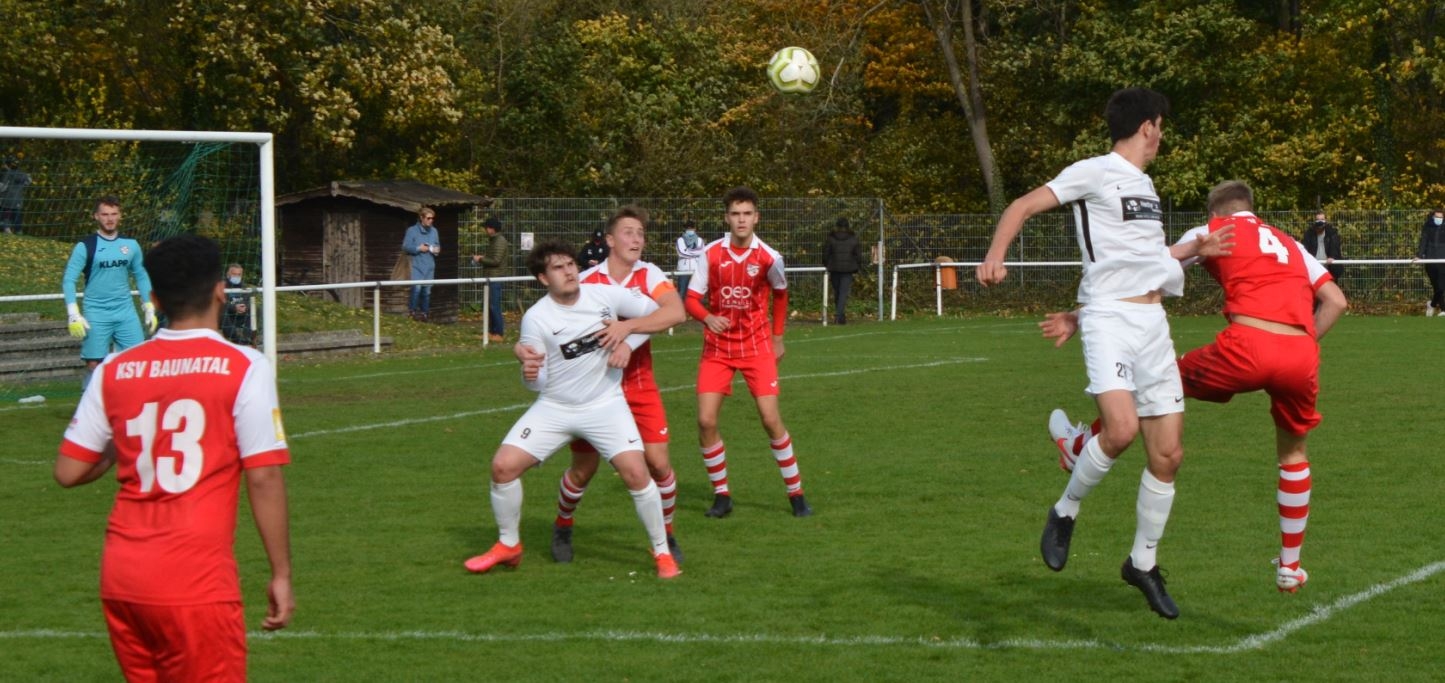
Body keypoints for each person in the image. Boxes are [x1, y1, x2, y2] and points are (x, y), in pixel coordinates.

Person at [976, 88, 1230, 620]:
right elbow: (1023, 205)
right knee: (1120, 430)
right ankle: (1065, 511)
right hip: (1111, 321)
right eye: (1161, 127)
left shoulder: (1146, 186)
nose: (1161, 137)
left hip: (1153, 323)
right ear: (1148, 126)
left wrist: (1193, 249)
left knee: (1169, 455)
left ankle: (1142, 563)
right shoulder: (1094, 171)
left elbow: (1142, 260)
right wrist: (996, 254)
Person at [1048, 180, 1347, 595]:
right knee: (1293, 455)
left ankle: (1079, 446)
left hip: (1247, 346)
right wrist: (1299, 347)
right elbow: (1336, 301)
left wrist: (1081, 314)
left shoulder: (1213, 230)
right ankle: (1290, 567)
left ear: (1215, 213)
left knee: (1152, 386)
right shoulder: (1291, 243)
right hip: (1300, 354)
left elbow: (1147, 275)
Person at [53, 233, 293, 681]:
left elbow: (68, 471)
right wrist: (281, 573)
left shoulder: (114, 369)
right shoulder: (245, 366)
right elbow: (264, 478)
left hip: (123, 576)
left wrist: (124, 439)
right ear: (220, 291)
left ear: (156, 299)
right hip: (195, 580)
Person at [464, 239, 685, 579]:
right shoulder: (536, 318)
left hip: (605, 406)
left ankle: (662, 553)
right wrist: (529, 372)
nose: (569, 272)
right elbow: (537, 383)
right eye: (558, 268)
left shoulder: (604, 294)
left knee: (637, 474)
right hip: (555, 407)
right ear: (543, 278)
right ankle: (509, 545)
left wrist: (627, 339)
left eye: (570, 264)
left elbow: (659, 313)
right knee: (502, 467)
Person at [531, 205, 688, 564]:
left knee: (658, 464)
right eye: (629, 233)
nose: (637, 239)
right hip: (595, 389)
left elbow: (675, 312)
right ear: (610, 240)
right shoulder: (587, 280)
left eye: (641, 234)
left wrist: (626, 332)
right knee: (583, 470)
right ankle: (563, 524)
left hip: (639, 384)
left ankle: (666, 535)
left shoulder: (649, 274)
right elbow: (552, 320)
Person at [685, 186, 812, 518]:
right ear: (727, 217)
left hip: (756, 347)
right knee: (705, 420)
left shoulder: (769, 257)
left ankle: (796, 494)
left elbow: (781, 294)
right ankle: (722, 495)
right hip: (718, 348)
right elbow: (691, 299)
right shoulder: (710, 254)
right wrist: (707, 317)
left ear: (756, 217)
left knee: (770, 419)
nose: (741, 220)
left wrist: (778, 337)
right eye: (735, 214)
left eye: (747, 214)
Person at [62, 196, 158, 389]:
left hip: (125, 312)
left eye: (114, 214)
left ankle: (129, 403)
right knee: (94, 364)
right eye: (105, 214)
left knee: (136, 361)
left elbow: (141, 275)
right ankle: (88, 405)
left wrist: (148, 306)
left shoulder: (131, 245)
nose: (110, 219)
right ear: (96, 216)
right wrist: (73, 313)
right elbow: (68, 280)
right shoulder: (85, 246)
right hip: (96, 312)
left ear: (120, 216)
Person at [471, 216, 510, 342]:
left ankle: (498, 333)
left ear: (492, 229)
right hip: (491, 277)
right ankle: (491, 332)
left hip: (495, 277)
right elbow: (493, 257)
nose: (485, 230)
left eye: (486, 228)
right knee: (489, 306)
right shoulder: (494, 240)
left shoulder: (499, 241)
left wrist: (480, 259)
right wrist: (483, 258)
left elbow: (496, 260)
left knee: (494, 306)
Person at [402, 207, 442, 321]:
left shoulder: (434, 231)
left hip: (429, 265)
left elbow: (437, 245)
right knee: (416, 289)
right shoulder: (412, 230)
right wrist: (418, 248)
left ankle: (425, 314)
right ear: (421, 218)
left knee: (427, 292)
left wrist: (436, 250)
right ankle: (412, 312)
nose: (431, 220)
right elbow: (405, 247)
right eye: (428, 218)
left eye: (432, 218)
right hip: (416, 265)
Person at [822, 217, 863, 325]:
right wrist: (857, 265)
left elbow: (826, 253)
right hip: (848, 269)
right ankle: (838, 316)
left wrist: (826, 264)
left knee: (838, 292)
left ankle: (841, 316)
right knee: (843, 293)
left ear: (837, 226)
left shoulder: (831, 238)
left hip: (834, 268)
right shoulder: (853, 239)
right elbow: (858, 255)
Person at [1299, 211, 1343, 285]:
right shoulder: (1309, 234)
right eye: (1318, 220)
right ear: (1314, 221)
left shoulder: (1332, 233)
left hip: (1328, 268)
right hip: (1314, 268)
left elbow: (1335, 246)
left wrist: (1332, 256)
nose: (1320, 222)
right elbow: (1305, 248)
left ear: (1325, 221)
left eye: (1322, 219)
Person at [1416, 208, 1445, 316]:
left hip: (1443, 261)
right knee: (1436, 286)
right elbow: (1423, 241)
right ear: (1433, 217)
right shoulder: (1428, 227)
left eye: (1440, 217)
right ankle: (1443, 310)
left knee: (1441, 286)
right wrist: (1419, 255)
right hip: (1430, 260)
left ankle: (1432, 305)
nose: (1438, 219)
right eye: (1436, 217)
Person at [221, 263, 255, 346]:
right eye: (234, 274)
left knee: (257, 309)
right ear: (228, 274)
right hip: (227, 317)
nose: (236, 276)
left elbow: (248, 300)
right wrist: (234, 307)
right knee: (222, 309)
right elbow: (220, 303)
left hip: (240, 315)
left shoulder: (244, 286)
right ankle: (235, 338)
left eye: (239, 274)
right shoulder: (221, 286)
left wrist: (245, 307)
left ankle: (247, 337)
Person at [0, 155, 32, 234]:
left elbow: (2, 188)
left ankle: (6, 230)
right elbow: (28, 182)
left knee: (5, 216)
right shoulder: (23, 174)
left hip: (7, 200)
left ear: (7, 164)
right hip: (18, 200)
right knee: (17, 217)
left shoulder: (6, 173)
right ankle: (19, 231)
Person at [674, 220, 704, 295]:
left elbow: (701, 252)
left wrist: (687, 251)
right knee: (682, 293)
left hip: (696, 270)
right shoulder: (680, 240)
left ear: (695, 229)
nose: (690, 230)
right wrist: (695, 253)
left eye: (691, 228)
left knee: (695, 294)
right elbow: (681, 253)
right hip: (683, 270)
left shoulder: (700, 240)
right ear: (685, 229)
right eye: (688, 228)